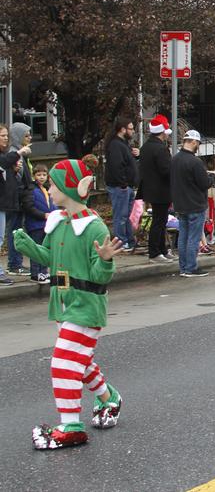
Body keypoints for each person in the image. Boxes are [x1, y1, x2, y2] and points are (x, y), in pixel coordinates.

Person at [14, 159, 125, 449]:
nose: (49, 187)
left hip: (86, 306)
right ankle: (109, 397)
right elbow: (50, 258)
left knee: (63, 362)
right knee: (80, 358)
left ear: (68, 188)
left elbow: (100, 277)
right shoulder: (58, 221)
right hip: (63, 303)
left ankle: (71, 424)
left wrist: (105, 260)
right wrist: (26, 246)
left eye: (53, 183)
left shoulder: (95, 228)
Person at [170, 129, 211, 277]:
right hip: (195, 204)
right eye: (198, 143)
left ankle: (183, 267)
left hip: (180, 204)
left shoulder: (174, 159)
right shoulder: (195, 162)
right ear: (193, 142)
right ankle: (191, 268)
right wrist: (211, 179)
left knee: (183, 237)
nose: (198, 145)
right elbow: (204, 183)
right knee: (193, 237)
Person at [137, 114, 174, 263]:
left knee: (159, 220)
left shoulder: (145, 147)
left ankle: (162, 249)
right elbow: (166, 170)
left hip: (150, 189)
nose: (167, 135)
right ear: (162, 132)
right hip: (161, 190)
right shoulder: (160, 149)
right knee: (159, 221)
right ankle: (155, 252)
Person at [0, 124, 33, 285]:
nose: (5, 138)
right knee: (4, 236)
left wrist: (13, 171)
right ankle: (11, 265)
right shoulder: (11, 154)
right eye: (2, 135)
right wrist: (19, 154)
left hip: (8, 200)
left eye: (6, 135)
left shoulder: (7, 153)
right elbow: (4, 163)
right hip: (6, 201)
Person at [104, 117, 140, 252]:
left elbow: (126, 162)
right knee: (120, 215)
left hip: (127, 186)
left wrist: (135, 155)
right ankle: (121, 242)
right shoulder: (115, 145)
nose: (133, 131)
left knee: (126, 216)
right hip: (120, 187)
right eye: (130, 129)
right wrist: (123, 184)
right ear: (122, 129)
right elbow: (116, 166)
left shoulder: (123, 144)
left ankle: (129, 240)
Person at [20, 164, 56, 284]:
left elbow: (52, 205)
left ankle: (44, 272)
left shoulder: (46, 189)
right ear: (34, 176)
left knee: (44, 248)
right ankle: (35, 273)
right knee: (36, 248)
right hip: (35, 224)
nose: (41, 177)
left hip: (47, 224)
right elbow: (29, 207)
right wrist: (43, 215)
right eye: (39, 175)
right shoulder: (30, 189)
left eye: (44, 175)